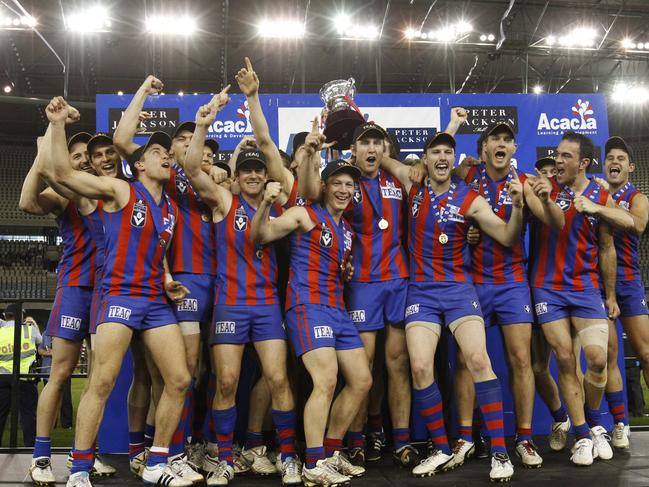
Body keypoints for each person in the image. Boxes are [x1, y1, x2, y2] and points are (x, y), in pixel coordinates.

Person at [43, 96, 194, 487]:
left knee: (178, 380)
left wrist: (165, 280)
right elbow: (61, 170)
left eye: (167, 152)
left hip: (155, 301)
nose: (166, 156)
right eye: (157, 152)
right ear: (139, 163)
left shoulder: (170, 210)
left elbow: (155, 251)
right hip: (119, 296)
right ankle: (78, 471)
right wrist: (57, 125)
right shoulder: (120, 191)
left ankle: (157, 462)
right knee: (103, 382)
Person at [380, 132, 527, 482]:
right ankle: (442, 448)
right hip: (421, 294)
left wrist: (519, 206)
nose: (442, 157)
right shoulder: (411, 182)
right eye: (435, 152)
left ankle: (500, 452)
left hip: (460, 290)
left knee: (478, 360)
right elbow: (381, 159)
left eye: (448, 151)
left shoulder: (471, 198)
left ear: (453, 158)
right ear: (426, 158)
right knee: (419, 366)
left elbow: (507, 236)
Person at [182, 91, 301, 487]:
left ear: (267, 176)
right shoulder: (223, 201)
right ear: (237, 176)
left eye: (259, 171)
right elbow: (191, 168)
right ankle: (226, 458)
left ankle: (288, 456)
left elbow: (266, 140)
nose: (253, 175)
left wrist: (253, 99)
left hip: (267, 305)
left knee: (278, 380)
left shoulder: (280, 206)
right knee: (227, 382)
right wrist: (202, 124)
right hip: (230, 305)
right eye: (246, 171)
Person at [251, 159, 373, 487]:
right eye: (337, 183)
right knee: (326, 380)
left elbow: (334, 263)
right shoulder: (304, 214)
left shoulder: (347, 230)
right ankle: (314, 462)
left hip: (337, 309)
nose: (344, 190)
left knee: (362, 380)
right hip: (307, 307)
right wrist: (265, 202)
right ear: (324, 186)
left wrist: (343, 272)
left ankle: (331, 453)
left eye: (350, 185)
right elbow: (260, 234)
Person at [452, 121, 566, 469]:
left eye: (507, 140)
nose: (501, 144)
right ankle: (465, 437)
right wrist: (469, 233)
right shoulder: (468, 180)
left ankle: (526, 438)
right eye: (495, 139)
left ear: (514, 149)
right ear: (483, 148)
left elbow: (557, 224)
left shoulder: (526, 182)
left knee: (521, 360)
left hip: (514, 283)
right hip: (473, 283)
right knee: (464, 362)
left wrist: (544, 201)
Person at [528, 131, 633, 466]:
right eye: (557, 155)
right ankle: (584, 435)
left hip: (586, 289)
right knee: (563, 357)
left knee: (598, 359)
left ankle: (592, 419)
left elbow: (608, 245)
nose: (558, 161)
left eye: (566, 157)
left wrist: (611, 294)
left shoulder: (599, 193)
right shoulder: (543, 186)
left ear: (584, 163)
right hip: (547, 288)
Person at [20, 125, 116, 484]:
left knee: (98, 380)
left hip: (109, 290)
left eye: (86, 156)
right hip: (76, 288)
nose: (83, 161)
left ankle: (85, 457)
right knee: (59, 373)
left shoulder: (109, 190)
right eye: (74, 156)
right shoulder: (65, 194)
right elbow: (27, 203)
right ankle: (41, 458)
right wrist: (42, 155)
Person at [588, 136, 649, 449]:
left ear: (630, 167)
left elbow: (637, 225)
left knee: (646, 353)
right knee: (609, 356)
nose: (614, 162)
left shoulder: (637, 197)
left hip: (628, 282)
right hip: (595, 285)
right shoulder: (592, 190)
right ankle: (620, 424)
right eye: (610, 157)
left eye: (621, 159)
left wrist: (601, 207)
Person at [0, 304, 40, 447]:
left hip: (3, 377)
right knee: (28, 414)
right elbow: (40, 344)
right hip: (25, 378)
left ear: (6, 316)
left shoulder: (0, 331)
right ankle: (30, 448)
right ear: (21, 316)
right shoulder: (30, 330)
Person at [38, 333, 73, 429]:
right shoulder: (45, 334)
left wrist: (58, 352)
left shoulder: (64, 333)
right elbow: (40, 349)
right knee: (50, 399)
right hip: (48, 371)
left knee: (66, 398)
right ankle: (51, 423)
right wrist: (49, 353)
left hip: (63, 370)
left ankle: (67, 423)